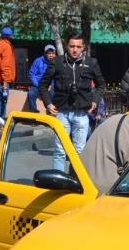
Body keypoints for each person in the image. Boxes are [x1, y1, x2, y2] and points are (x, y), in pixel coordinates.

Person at [39, 34, 106, 169]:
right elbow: (42, 85)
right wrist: (48, 103)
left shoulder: (91, 63)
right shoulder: (57, 62)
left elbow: (101, 85)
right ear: (66, 46)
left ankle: (75, 181)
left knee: (79, 151)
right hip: (62, 113)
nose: (75, 50)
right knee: (60, 151)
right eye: (72, 46)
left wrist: (95, 102)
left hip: (82, 114)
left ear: (83, 47)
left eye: (78, 47)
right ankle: (57, 182)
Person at [0, 27, 16, 119]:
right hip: (1, 81)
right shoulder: (7, 46)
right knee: (0, 103)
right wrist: (5, 82)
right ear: (10, 37)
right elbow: (5, 66)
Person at [25, 45, 56, 113]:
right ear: (45, 54)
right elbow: (32, 74)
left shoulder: (57, 62)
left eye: (52, 53)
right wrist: (38, 85)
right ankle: (34, 112)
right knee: (31, 94)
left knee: (54, 94)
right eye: (49, 53)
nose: (51, 55)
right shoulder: (38, 61)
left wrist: (51, 86)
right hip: (38, 85)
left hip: (51, 86)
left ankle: (50, 112)